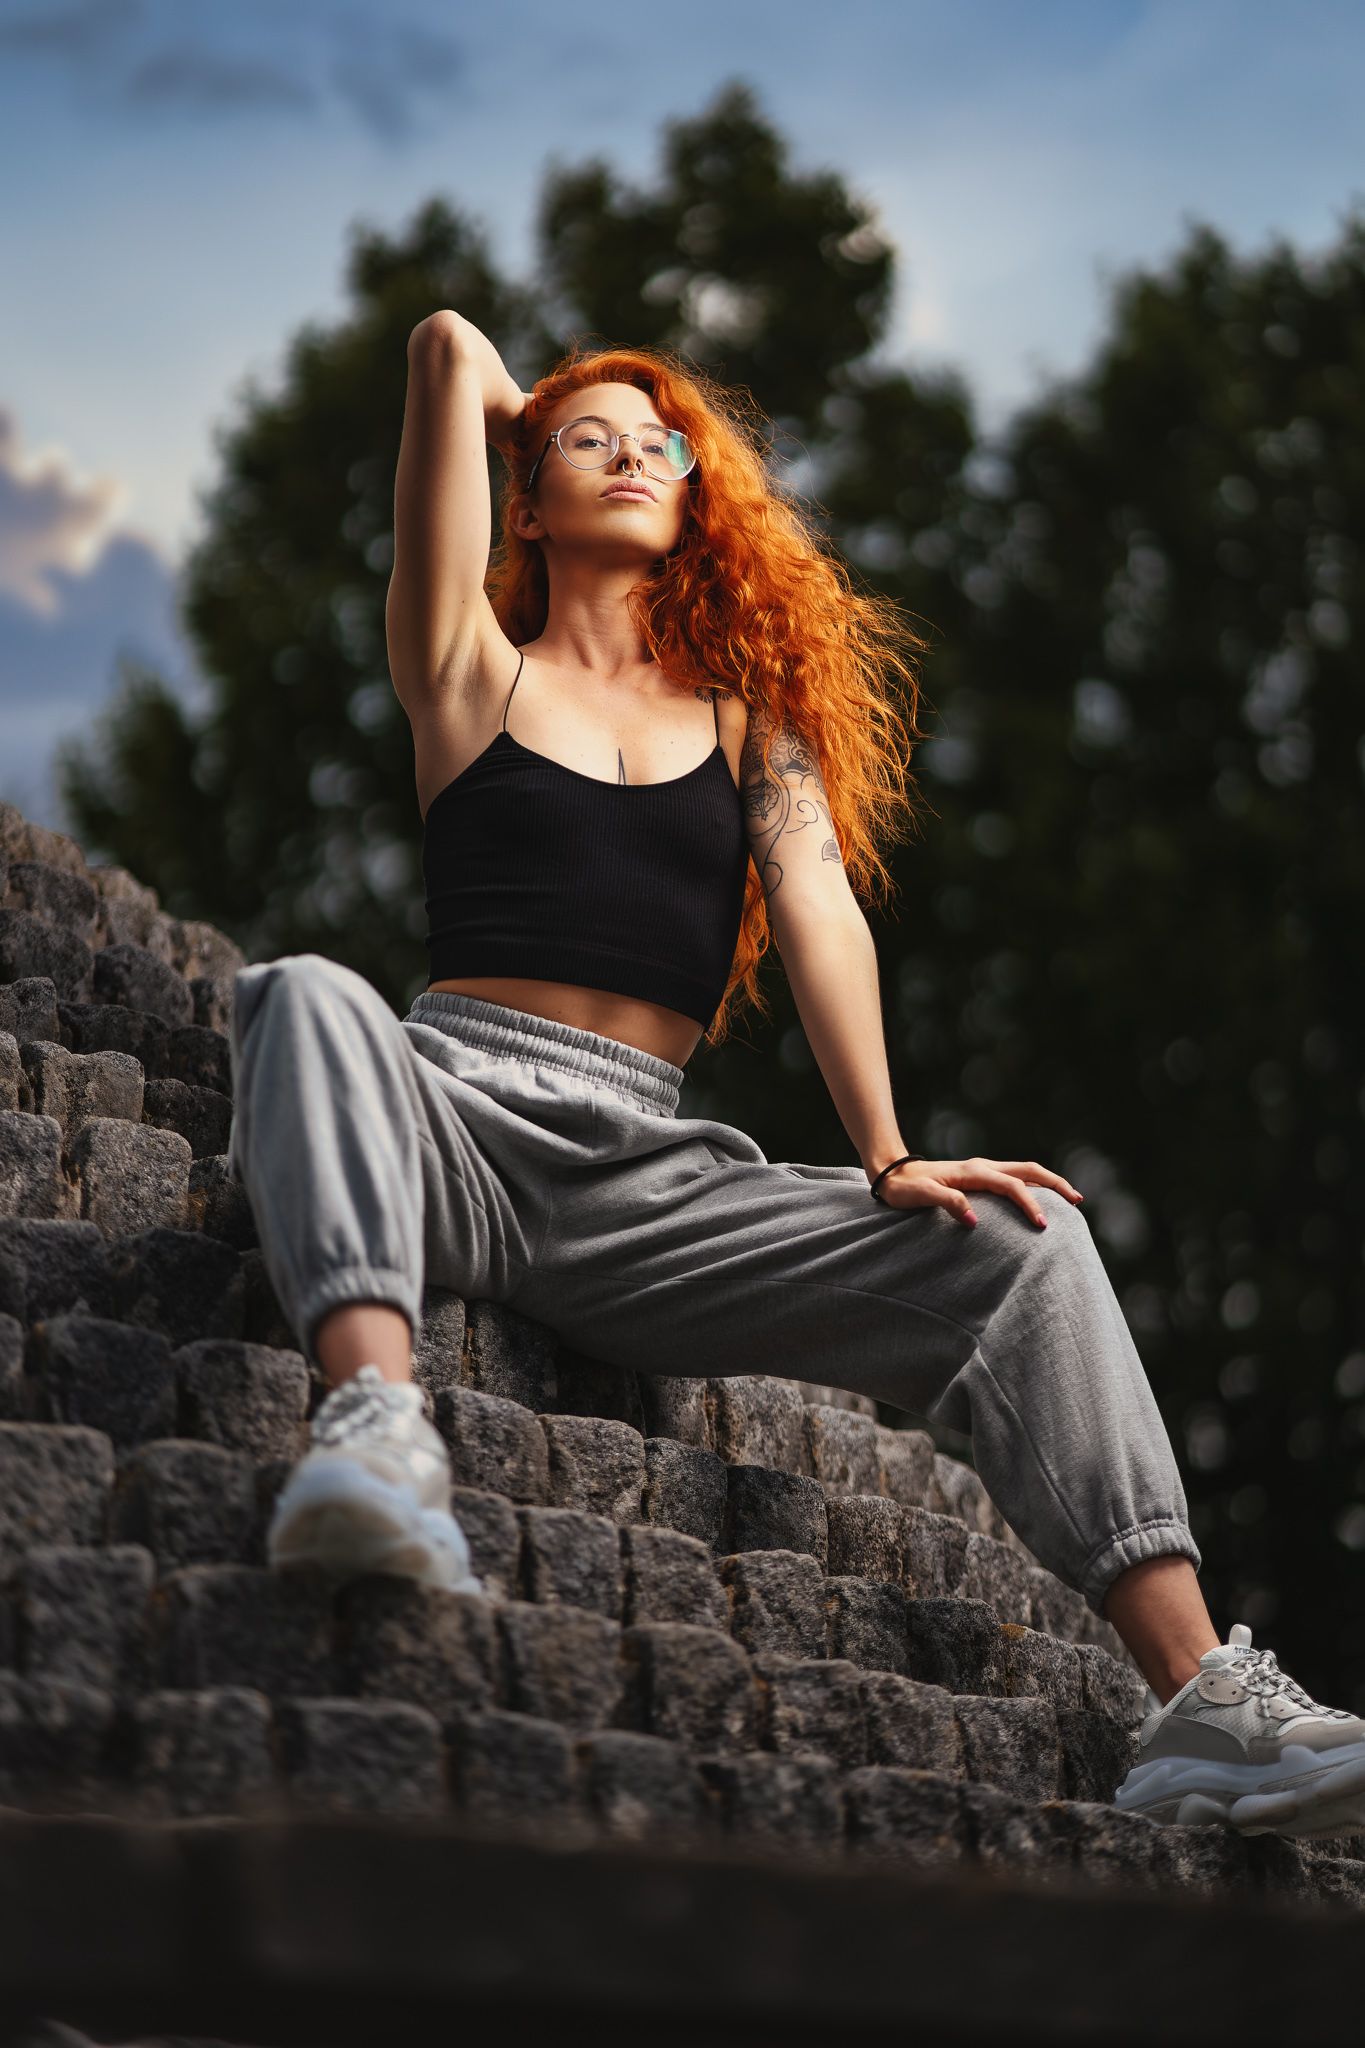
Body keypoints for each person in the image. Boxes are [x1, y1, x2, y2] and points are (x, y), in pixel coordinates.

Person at [226, 313, 1365, 1840]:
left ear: (700, 501)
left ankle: (1198, 1700)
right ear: (526, 492)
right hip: (451, 1119)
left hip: (647, 1186)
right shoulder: (464, 671)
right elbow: (441, 345)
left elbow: (821, 915)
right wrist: (539, 401)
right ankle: (373, 1431)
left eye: (664, 447)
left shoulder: (748, 729)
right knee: (300, 993)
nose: (635, 456)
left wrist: (887, 1153)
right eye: (593, 443)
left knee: (1030, 1243)